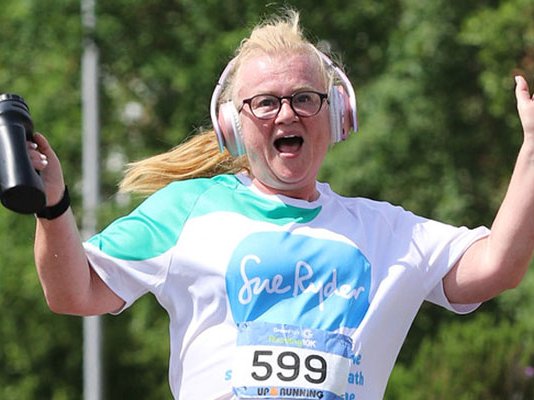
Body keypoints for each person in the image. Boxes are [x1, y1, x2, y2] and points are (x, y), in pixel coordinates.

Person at [29, 9, 534, 400]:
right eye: (266, 102)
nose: (286, 113)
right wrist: (53, 205)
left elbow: (499, 265)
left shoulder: (387, 232)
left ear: (337, 115)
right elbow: (74, 293)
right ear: (233, 126)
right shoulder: (186, 211)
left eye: (305, 98)